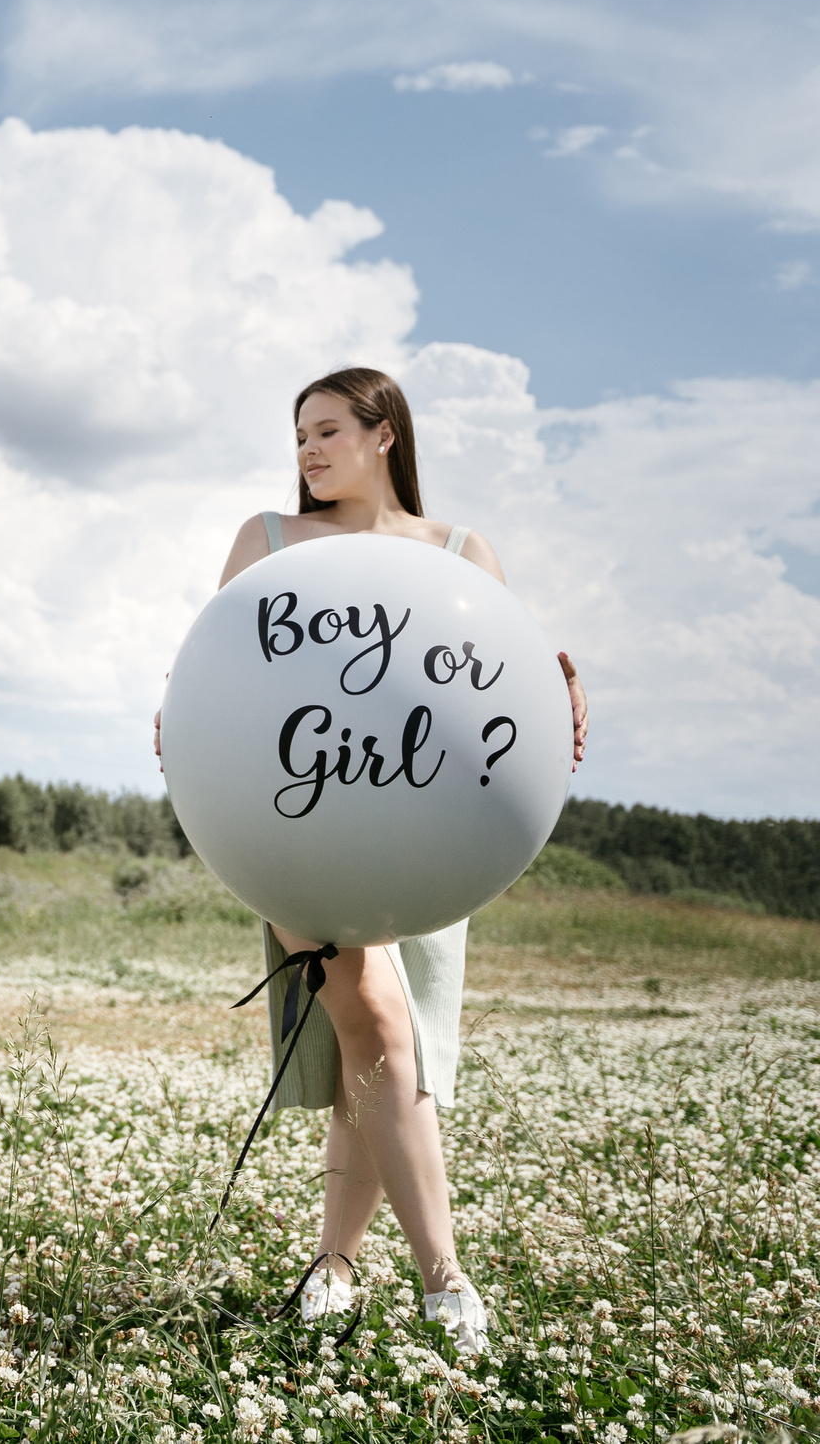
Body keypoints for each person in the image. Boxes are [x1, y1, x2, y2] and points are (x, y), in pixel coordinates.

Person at [157, 366, 589, 1359]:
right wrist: (176, 714)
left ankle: (333, 1270)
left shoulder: (458, 551)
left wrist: (557, 682)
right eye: (297, 436)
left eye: (324, 431)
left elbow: (498, 682)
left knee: (377, 1058)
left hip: (430, 835)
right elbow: (220, 671)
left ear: (383, 432)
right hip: (296, 827)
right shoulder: (265, 542)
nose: (305, 452)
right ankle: (447, 1282)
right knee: (379, 1024)